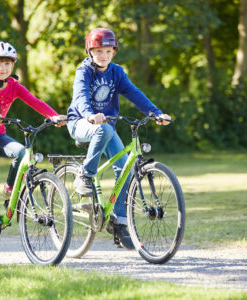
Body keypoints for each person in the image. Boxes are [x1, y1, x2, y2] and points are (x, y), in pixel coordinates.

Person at [66, 28, 171, 250]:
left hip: (106, 127)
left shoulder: (117, 72)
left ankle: (119, 221)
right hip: (81, 122)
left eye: (107, 50)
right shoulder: (83, 71)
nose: (103, 55)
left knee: (126, 169)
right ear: (90, 51)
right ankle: (85, 175)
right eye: (98, 51)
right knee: (102, 130)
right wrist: (90, 115)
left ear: (114, 52)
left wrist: (155, 113)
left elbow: (134, 93)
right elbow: (80, 97)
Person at [0, 41, 66, 246]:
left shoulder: (14, 86)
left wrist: (54, 116)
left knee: (22, 153)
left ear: (13, 66)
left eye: (7, 64)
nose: (2, 68)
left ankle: (10, 187)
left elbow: (34, 101)